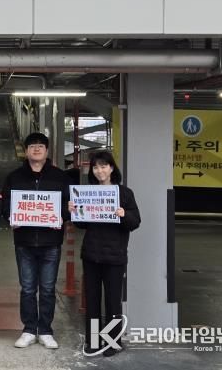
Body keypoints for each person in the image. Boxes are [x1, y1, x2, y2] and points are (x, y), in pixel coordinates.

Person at [67, 150, 141, 357]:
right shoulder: (87, 192)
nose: (99, 171)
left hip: (115, 256)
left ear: (111, 168)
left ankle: (112, 342)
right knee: (92, 300)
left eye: (103, 166)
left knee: (113, 300)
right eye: (96, 167)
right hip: (91, 254)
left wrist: (124, 214)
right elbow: (82, 224)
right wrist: (74, 211)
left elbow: (135, 222)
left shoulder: (124, 194)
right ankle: (92, 341)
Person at [1, 132, 70, 350]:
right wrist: (11, 218)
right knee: (28, 289)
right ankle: (29, 329)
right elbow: (6, 205)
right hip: (24, 241)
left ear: (47, 151)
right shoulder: (14, 177)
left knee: (48, 289)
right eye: (32, 146)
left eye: (41, 146)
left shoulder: (59, 177)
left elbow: (69, 204)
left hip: (51, 241)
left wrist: (62, 216)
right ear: (26, 151)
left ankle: (46, 330)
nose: (37, 149)